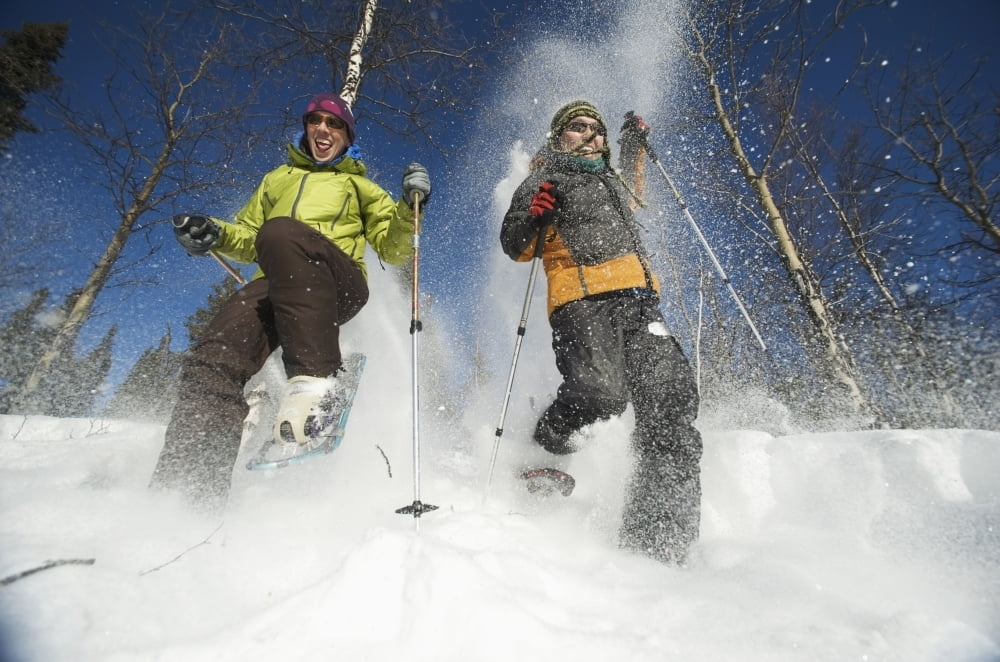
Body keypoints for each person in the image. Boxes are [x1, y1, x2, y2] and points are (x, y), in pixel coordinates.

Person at [151, 92, 431, 509]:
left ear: (346, 134)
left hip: (337, 282)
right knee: (214, 356)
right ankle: (186, 494)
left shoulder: (360, 186)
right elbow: (250, 238)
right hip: (276, 283)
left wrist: (412, 206)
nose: (323, 129)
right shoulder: (275, 180)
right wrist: (216, 234)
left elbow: (393, 250)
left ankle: (316, 382)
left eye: (334, 123)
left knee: (281, 231)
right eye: (315, 120)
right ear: (305, 127)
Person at [500, 100, 702, 564]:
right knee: (599, 395)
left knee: (671, 401)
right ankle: (547, 447)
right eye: (578, 126)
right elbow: (516, 245)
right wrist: (533, 212)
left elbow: (633, 186)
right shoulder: (545, 177)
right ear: (558, 136)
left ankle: (659, 538)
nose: (590, 134)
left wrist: (633, 141)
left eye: (597, 129)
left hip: (639, 300)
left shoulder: (612, 181)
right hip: (581, 299)